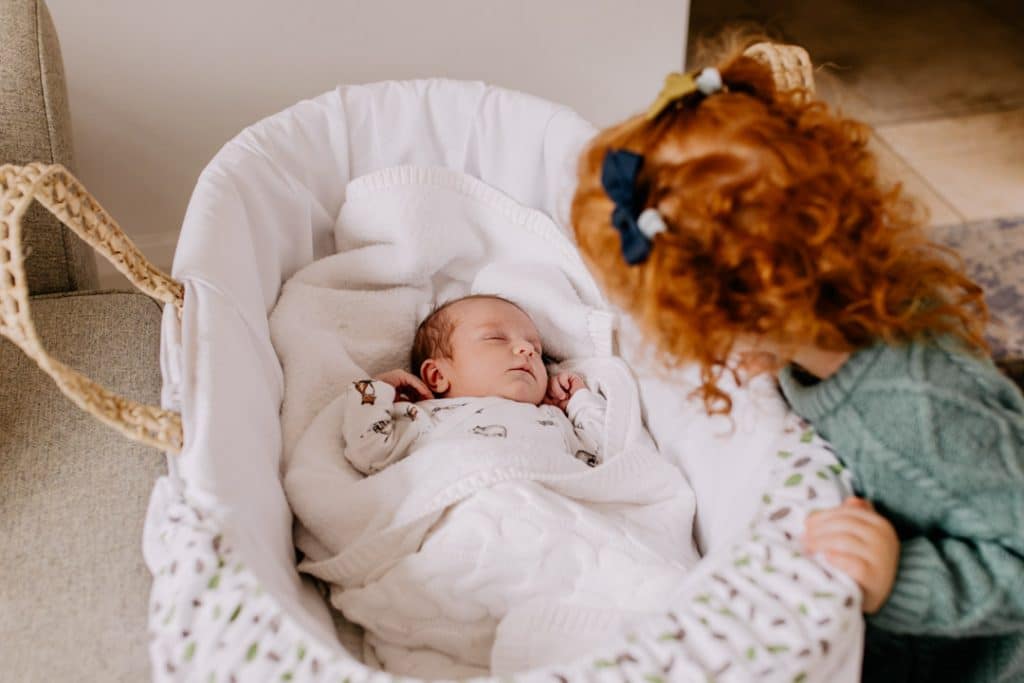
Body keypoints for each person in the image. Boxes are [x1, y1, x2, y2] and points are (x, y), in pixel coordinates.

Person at [569, 37, 1024, 682]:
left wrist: (905, 578)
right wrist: (779, 358)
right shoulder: (830, 322)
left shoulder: (922, 405)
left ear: (741, 310)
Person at [341, 294, 604, 475]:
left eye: (537, 349)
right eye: (495, 338)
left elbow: (604, 454)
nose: (527, 349)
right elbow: (369, 452)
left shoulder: (553, 419)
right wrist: (380, 388)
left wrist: (578, 401)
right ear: (436, 376)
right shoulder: (423, 416)